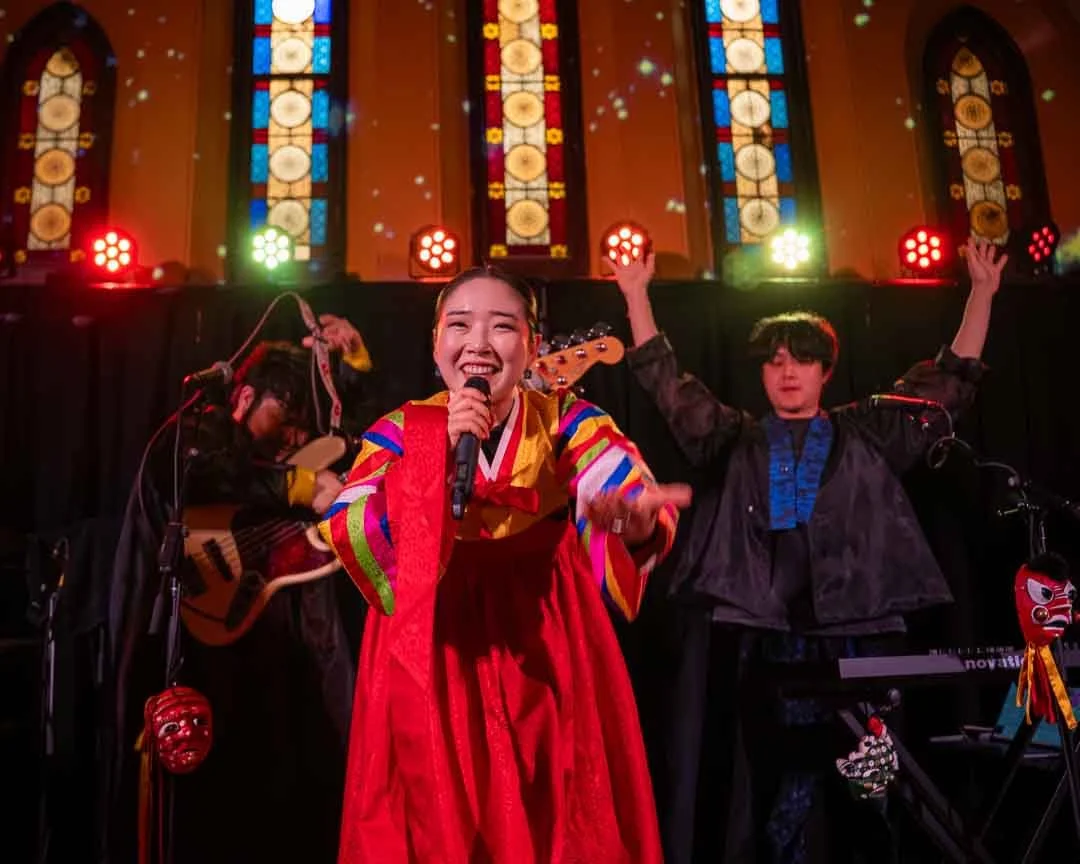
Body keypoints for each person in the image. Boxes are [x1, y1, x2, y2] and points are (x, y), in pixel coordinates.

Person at [609, 238, 1007, 864]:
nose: (788, 371)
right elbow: (668, 387)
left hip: (862, 630)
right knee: (780, 796)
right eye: (775, 362)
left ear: (826, 370)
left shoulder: (868, 431)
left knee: (872, 788)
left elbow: (948, 386)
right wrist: (636, 294)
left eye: (802, 360)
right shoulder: (737, 438)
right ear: (762, 374)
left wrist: (981, 292)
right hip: (773, 636)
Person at [318, 267, 691, 863]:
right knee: (434, 821)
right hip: (433, 644)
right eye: (460, 325)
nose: (478, 344)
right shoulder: (402, 430)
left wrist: (629, 519)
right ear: (436, 343)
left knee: (556, 813)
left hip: (542, 638)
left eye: (501, 327)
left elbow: (613, 480)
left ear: (533, 345)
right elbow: (349, 528)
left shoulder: (567, 420)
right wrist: (434, 455)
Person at [101, 315, 374, 864]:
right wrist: (299, 484)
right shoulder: (200, 430)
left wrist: (356, 371)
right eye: (285, 418)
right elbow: (195, 470)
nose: (295, 437)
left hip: (282, 652)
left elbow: (358, 449)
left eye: (301, 428)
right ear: (245, 397)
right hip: (206, 650)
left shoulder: (288, 454)